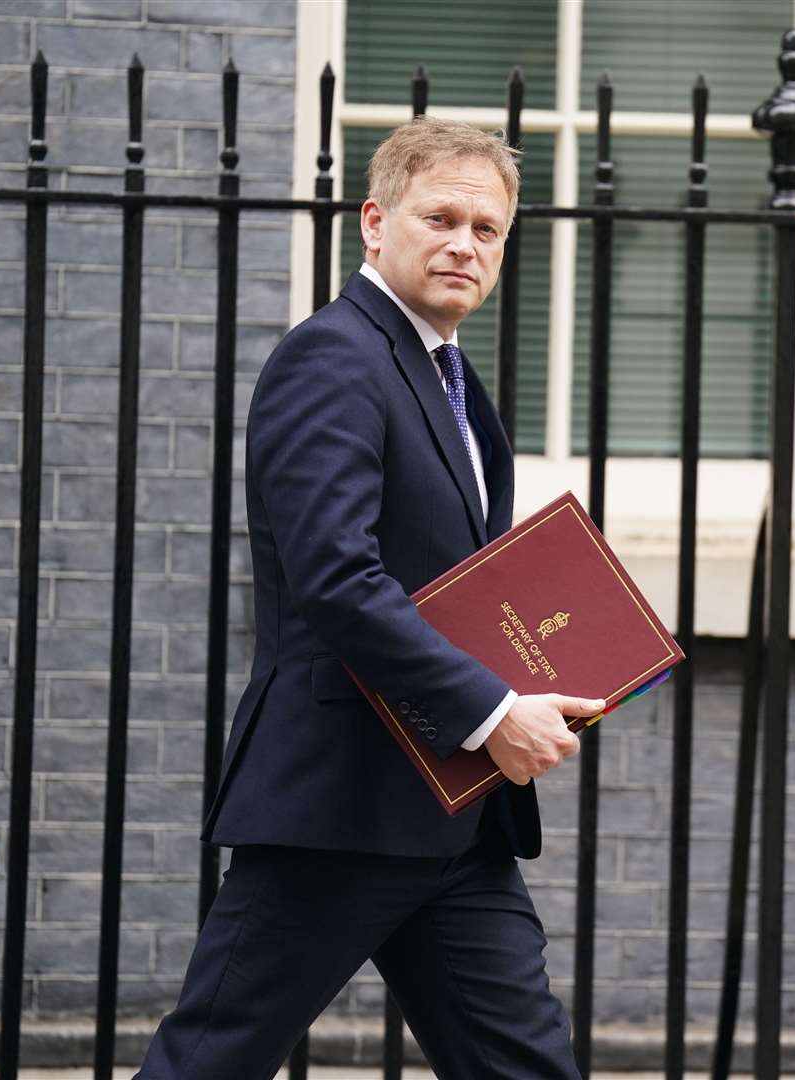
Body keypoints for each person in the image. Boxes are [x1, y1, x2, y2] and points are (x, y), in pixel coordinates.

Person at [133, 117, 598, 1080]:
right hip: (339, 805)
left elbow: (454, 581)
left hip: (455, 816)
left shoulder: (451, 379)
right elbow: (336, 580)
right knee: (206, 1067)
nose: (465, 243)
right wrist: (491, 709)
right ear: (374, 223)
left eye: (487, 228)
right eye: (441, 217)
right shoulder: (335, 358)